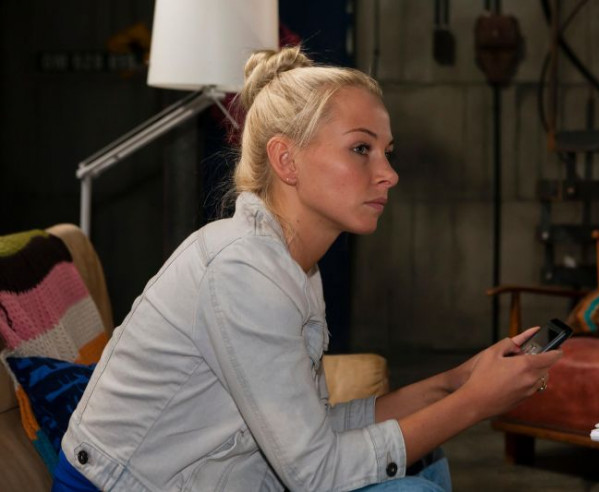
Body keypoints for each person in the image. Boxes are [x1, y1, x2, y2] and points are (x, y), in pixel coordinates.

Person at [53, 45, 562, 491]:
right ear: (286, 160)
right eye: (361, 149)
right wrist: (475, 404)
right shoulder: (241, 271)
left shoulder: (294, 268)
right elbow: (316, 473)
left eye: (386, 152)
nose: (389, 174)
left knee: (425, 457)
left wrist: (455, 383)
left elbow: (311, 431)